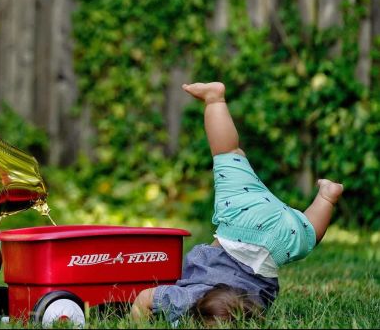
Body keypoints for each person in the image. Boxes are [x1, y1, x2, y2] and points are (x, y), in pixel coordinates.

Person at [131, 82, 344, 325]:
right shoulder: (183, 301)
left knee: (308, 235)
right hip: (243, 222)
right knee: (227, 153)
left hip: (280, 238)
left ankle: (327, 195)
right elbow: (143, 299)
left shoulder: (254, 306)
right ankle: (214, 99)